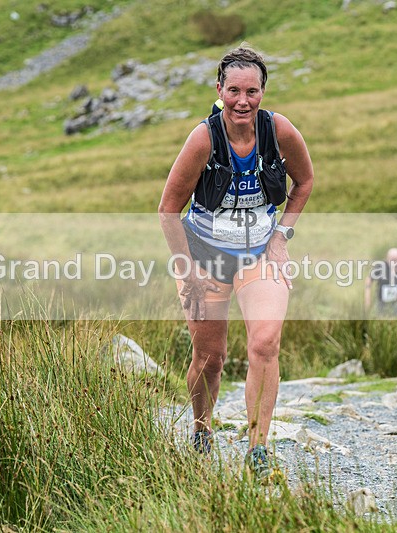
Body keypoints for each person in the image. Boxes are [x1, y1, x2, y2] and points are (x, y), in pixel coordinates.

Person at [158, 47, 314, 480]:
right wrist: (186, 270)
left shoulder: (278, 131)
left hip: (259, 253)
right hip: (203, 255)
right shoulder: (203, 139)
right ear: (219, 91)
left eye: (252, 91)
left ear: (263, 91)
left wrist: (282, 236)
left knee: (265, 342)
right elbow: (169, 208)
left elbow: (304, 181)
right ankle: (202, 428)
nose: (242, 101)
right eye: (233, 91)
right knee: (210, 357)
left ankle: (258, 447)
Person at [364, 247, 397, 316]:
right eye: (392, 260)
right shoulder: (380, 267)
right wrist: (367, 299)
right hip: (381, 302)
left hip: (396, 302)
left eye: (396, 260)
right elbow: (368, 280)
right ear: (387, 258)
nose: (394, 262)